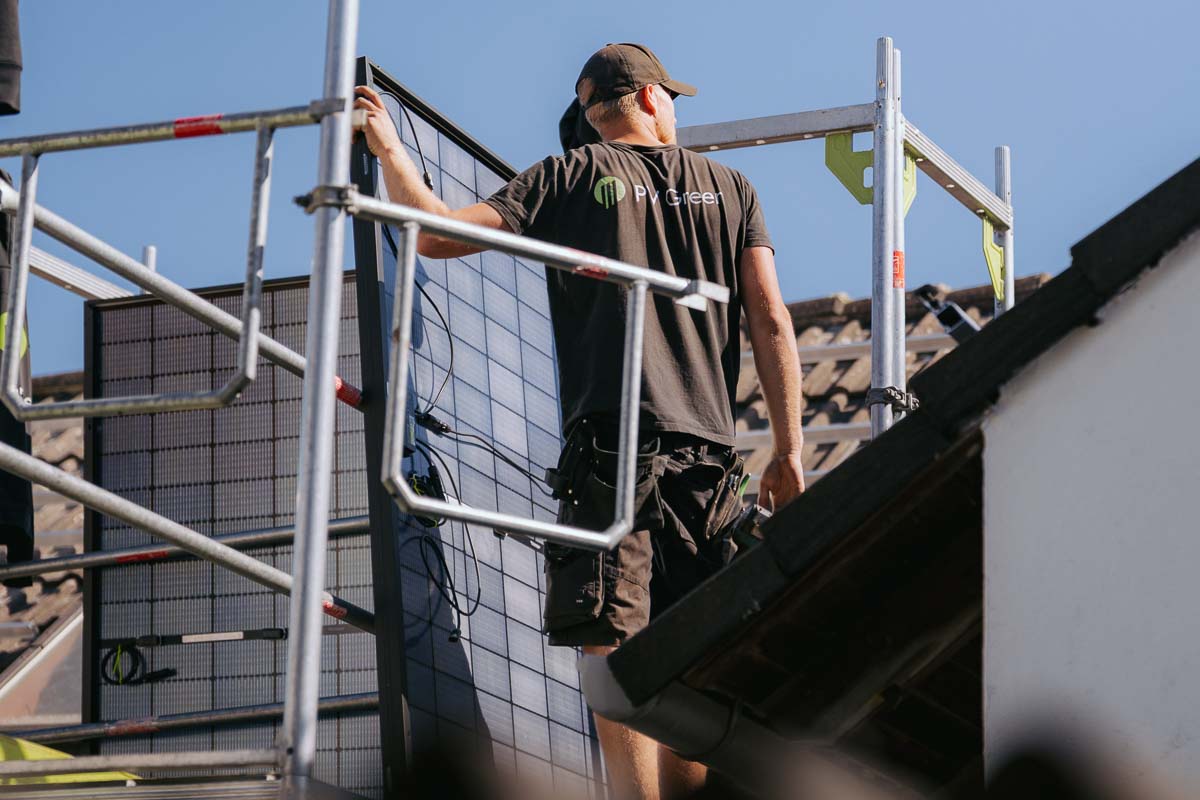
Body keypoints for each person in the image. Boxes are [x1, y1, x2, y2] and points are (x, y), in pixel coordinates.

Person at [354, 42, 806, 800]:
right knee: (691, 652)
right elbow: (770, 318)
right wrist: (789, 451)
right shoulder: (733, 188)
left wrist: (392, 149)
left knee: (611, 640)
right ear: (654, 98)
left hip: (615, 452)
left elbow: (435, 233)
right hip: (709, 465)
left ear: (597, 114)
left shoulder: (574, 174)